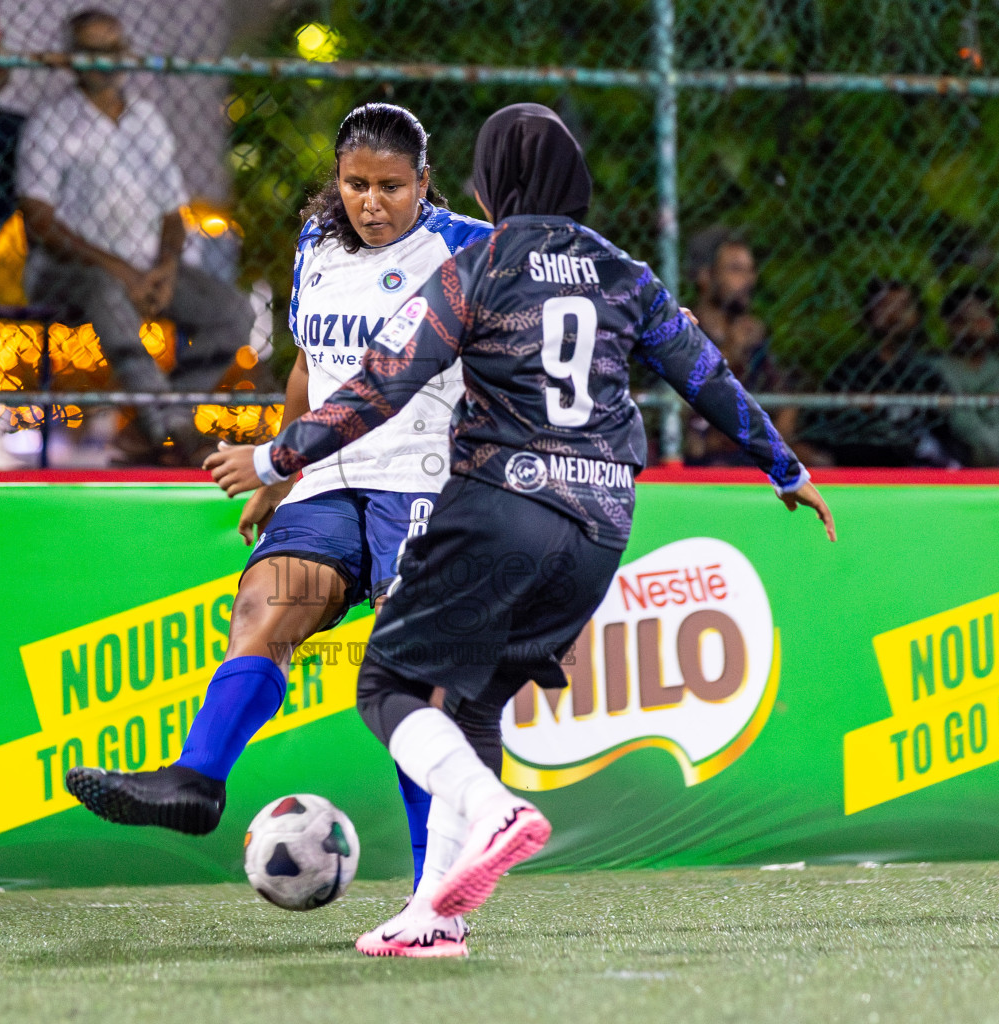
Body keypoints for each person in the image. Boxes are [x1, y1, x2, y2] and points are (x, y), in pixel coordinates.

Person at [203, 104, 834, 955]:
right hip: (603, 520)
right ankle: (439, 918)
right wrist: (783, 466)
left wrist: (281, 462)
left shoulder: (477, 265)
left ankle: (496, 812)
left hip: (503, 504)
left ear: (485, 185)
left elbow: (382, 383)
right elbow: (704, 370)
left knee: (388, 685)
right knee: (475, 704)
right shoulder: (623, 273)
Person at [64, 103, 493, 951]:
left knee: (415, 681)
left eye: (391, 188)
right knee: (265, 601)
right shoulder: (317, 244)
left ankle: (433, 900)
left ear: (424, 183)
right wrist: (280, 471)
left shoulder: (471, 248)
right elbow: (308, 365)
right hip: (329, 475)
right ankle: (198, 780)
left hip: (424, 484)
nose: (372, 202)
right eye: (356, 184)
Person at [18, 9, 252, 464]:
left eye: (112, 48)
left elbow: (172, 212)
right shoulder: (50, 123)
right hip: (68, 271)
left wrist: (165, 268)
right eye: (91, 50)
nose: (104, 61)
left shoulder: (147, 119)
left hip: (146, 266)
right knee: (105, 290)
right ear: (71, 58)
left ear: (125, 54)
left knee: (231, 312)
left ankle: (157, 426)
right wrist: (121, 271)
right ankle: (170, 433)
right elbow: (40, 220)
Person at [680, 226, 826, 466]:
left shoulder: (752, 334)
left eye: (750, 271)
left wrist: (774, 443)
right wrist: (729, 351)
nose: (748, 280)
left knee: (816, 461)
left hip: (751, 446)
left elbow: (784, 398)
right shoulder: (684, 330)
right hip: (704, 450)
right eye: (735, 270)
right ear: (705, 277)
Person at [815, 278, 952, 466]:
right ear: (869, 314)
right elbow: (833, 418)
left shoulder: (929, 367)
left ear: (917, 314)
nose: (895, 315)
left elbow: (943, 415)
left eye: (903, 306)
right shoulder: (852, 367)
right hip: (864, 447)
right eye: (885, 306)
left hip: (918, 448)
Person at [933, 285, 999, 466]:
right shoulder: (939, 369)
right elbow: (961, 421)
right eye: (964, 320)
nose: (974, 327)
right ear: (950, 324)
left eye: (982, 319)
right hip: (959, 458)